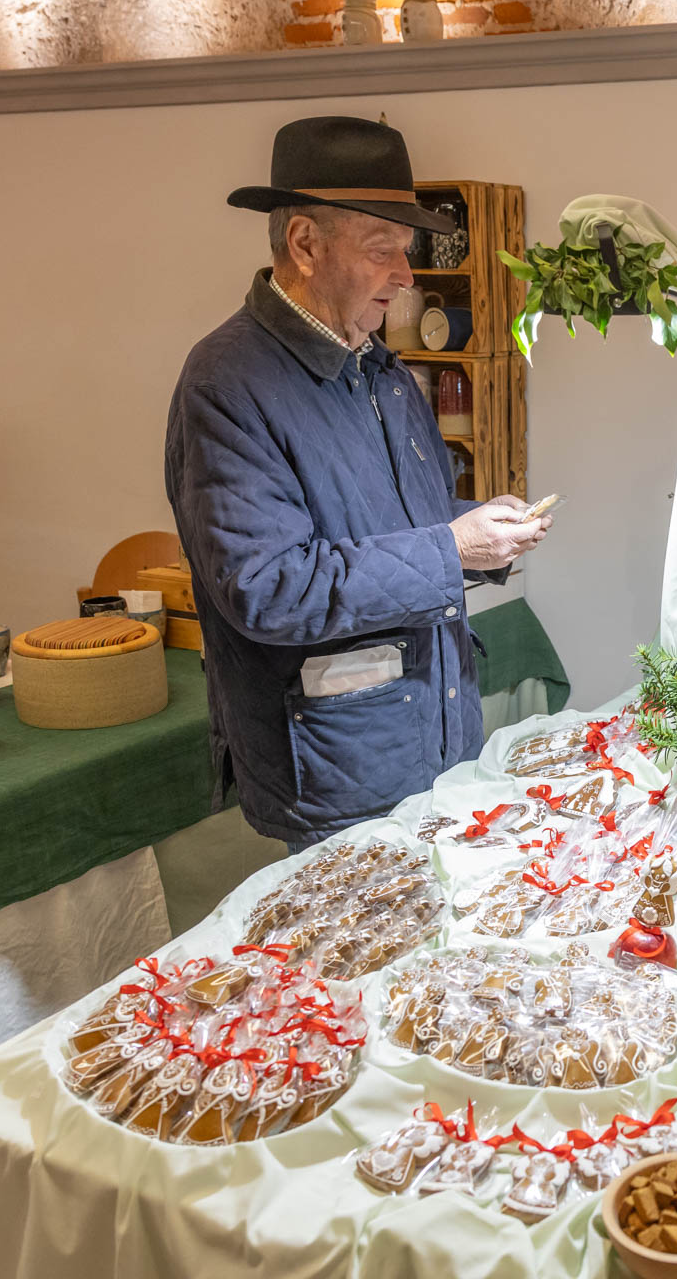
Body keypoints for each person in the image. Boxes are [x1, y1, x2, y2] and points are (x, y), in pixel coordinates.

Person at [166, 116, 551, 853]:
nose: (407, 277)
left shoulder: (380, 368)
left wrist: (481, 527)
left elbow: (394, 520)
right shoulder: (227, 383)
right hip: (339, 769)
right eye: (384, 252)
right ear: (305, 244)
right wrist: (451, 549)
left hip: (436, 741)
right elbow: (269, 586)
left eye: (407, 252)